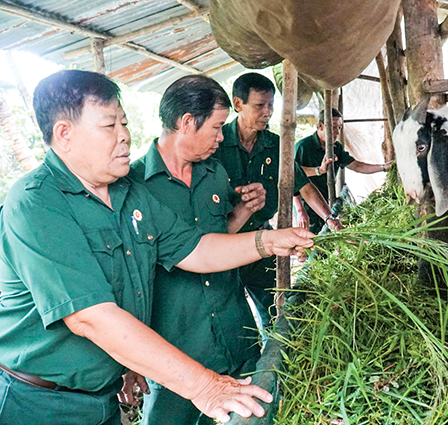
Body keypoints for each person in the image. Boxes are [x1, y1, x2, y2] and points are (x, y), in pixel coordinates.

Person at [0, 70, 313, 425]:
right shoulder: (36, 203)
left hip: (101, 399)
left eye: (124, 123)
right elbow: (90, 316)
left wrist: (269, 240)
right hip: (37, 401)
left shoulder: (128, 194)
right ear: (64, 134)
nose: (125, 136)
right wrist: (205, 386)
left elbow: (196, 250)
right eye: (109, 126)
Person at [127, 75, 267, 425]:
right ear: (188, 122)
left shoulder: (215, 172)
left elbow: (217, 239)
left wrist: (246, 210)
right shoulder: (133, 187)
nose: (222, 137)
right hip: (178, 353)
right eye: (218, 127)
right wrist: (130, 361)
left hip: (238, 337)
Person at [213, 73, 340, 327]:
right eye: (259, 105)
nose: (267, 112)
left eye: (271, 105)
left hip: (262, 245)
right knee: (231, 320)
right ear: (238, 104)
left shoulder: (276, 145)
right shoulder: (216, 143)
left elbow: (304, 187)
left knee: (274, 317)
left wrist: (329, 217)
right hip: (223, 245)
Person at [294, 108, 392, 233]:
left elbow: (357, 166)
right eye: (334, 127)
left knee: (325, 237)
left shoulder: (336, 148)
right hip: (306, 205)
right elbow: (293, 177)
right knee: (309, 240)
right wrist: (299, 210)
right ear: (320, 126)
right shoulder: (303, 147)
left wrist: (384, 167)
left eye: (340, 127)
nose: (337, 132)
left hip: (325, 200)